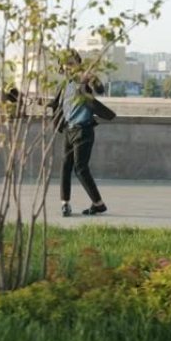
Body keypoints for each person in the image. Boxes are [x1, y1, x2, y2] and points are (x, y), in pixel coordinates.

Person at [47, 49, 115, 216]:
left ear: (78, 63)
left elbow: (99, 90)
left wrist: (92, 78)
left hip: (84, 130)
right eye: (66, 64)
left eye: (72, 63)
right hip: (69, 130)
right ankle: (65, 203)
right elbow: (56, 103)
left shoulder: (84, 81)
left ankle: (98, 203)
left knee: (81, 168)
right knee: (65, 166)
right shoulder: (63, 86)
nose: (69, 67)